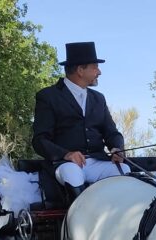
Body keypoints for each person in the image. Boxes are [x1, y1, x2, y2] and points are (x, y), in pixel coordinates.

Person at [32, 41, 129, 202]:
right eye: (95, 67)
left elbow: (111, 132)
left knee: (124, 170)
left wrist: (117, 148)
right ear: (80, 70)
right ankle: (81, 221)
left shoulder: (98, 99)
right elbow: (39, 140)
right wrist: (66, 154)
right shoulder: (48, 96)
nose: (99, 72)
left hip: (97, 162)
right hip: (65, 164)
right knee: (72, 173)